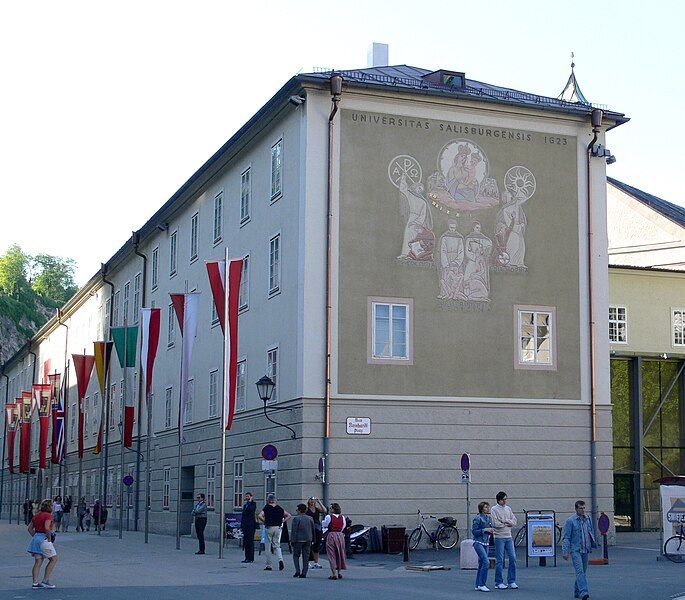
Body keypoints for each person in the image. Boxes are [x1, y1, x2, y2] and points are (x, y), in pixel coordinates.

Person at [562, 500, 597, 600]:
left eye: (584, 508)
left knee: (583, 572)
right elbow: (566, 537)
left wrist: (593, 543)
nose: (583, 510)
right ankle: (584, 592)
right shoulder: (571, 521)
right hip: (576, 550)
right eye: (580, 508)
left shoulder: (588, 519)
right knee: (580, 572)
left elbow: (590, 531)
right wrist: (565, 551)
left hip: (585, 549)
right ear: (576, 509)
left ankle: (576, 592)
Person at [27, 499, 58, 589]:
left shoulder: (36, 515)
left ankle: (35, 583)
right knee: (53, 559)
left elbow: (29, 529)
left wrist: (35, 536)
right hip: (44, 539)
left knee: (38, 561)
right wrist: (49, 538)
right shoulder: (48, 516)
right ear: (49, 507)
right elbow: (47, 528)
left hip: (36, 538)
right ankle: (45, 580)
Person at [490, 491, 518, 590]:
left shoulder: (508, 508)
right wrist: (506, 523)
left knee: (513, 558)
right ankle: (498, 582)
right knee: (500, 560)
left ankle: (512, 581)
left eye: (506, 499)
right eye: (504, 499)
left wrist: (505, 521)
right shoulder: (494, 509)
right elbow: (495, 524)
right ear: (499, 500)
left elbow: (514, 521)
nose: (505, 501)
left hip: (508, 536)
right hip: (499, 537)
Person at [258, 494, 290, 571]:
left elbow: (259, 515)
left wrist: (265, 521)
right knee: (277, 545)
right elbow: (288, 515)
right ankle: (280, 559)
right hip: (278, 528)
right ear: (275, 500)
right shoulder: (279, 508)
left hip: (269, 527)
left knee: (268, 546)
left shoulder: (266, 507)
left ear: (268, 500)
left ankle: (269, 565)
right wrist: (282, 521)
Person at [472, 501, 494, 592]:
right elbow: (474, 531)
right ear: (481, 509)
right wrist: (484, 530)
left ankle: (478, 584)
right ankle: (482, 584)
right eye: (485, 507)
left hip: (486, 542)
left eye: (488, 507)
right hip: (478, 542)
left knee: (481, 563)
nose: (488, 509)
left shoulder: (488, 518)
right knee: (486, 562)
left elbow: (490, 529)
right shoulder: (478, 518)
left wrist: (491, 531)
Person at [322, 503, 347, 580]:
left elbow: (324, 524)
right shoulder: (342, 517)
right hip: (340, 535)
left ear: (333, 509)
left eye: (330, 508)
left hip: (332, 534)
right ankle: (339, 572)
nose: (329, 510)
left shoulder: (329, 517)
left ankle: (334, 573)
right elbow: (343, 526)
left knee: (331, 554)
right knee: (340, 553)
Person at [290, 504, 315, 578]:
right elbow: (313, 529)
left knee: (296, 555)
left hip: (298, 540)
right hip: (308, 539)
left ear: (300, 510)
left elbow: (294, 531)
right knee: (306, 556)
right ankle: (304, 572)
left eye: (297, 510)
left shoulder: (296, 519)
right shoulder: (310, 518)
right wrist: (313, 539)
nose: (296, 511)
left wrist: (292, 540)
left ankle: (297, 571)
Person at [305, 497, 327, 569]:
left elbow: (325, 510)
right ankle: (307, 562)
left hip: (317, 528)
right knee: (309, 545)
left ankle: (316, 562)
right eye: (311, 500)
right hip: (309, 528)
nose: (312, 502)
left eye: (313, 501)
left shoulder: (317, 509)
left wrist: (319, 502)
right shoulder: (307, 509)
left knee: (317, 545)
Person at [240, 491, 257, 563]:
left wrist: (250, 502)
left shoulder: (253, 504)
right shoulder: (245, 505)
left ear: (251, 497)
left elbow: (251, 510)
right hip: (245, 525)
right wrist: (242, 525)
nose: (247, 498)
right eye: (246, 496)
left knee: (250, 541)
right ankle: (246, 557)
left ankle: (251, 558)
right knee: (246, 541)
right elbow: (243, 515)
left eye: (248, 496)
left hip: (251, 525)